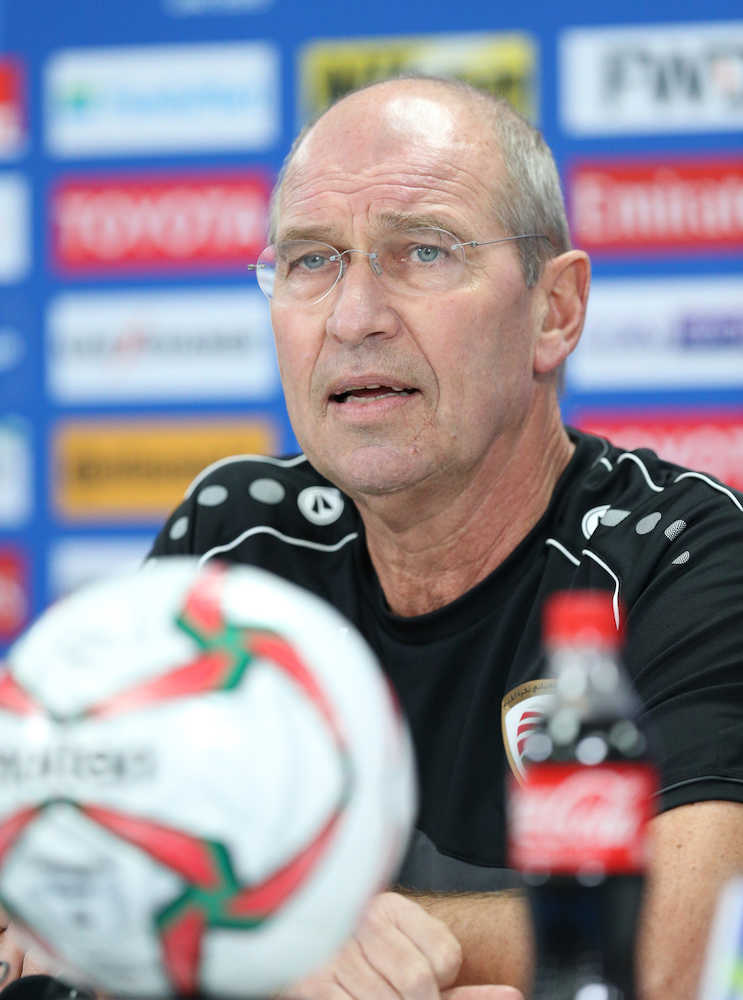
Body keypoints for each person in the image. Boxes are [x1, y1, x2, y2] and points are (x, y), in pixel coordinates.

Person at [3, 75, 742, 1000]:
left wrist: (264, 936)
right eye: (311, 260)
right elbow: (68, 898)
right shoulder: (237, 538)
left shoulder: (680, 556)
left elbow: (682, 951)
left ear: (554, 310)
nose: (353, 317)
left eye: (423, 251)